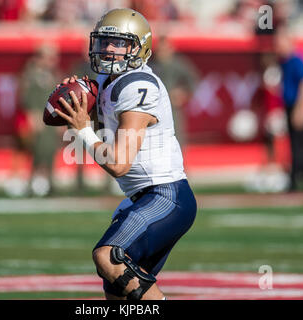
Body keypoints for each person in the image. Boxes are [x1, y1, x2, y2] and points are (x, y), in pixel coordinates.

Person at [54, 8, 197, 300]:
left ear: (139, 47)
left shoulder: (138, 85)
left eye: (118, 42)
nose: (108, 48)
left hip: (166, 196)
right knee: (118, 292)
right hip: (143, 197)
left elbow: (119, 163)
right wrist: (79, 111)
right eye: (104, 41)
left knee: (109, 257)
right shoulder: (108, 81)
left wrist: (83, 130)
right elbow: (105, 135)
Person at [9, 44, 61, 197]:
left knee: (50, 150)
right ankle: (33, 182)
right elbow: (25, 97)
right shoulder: (30, 75)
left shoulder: (54, 74)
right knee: (37, 150)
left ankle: (49, 182)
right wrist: (31, 115)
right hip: (39, 117)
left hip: (52, 117)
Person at [274, 26, 303, 191]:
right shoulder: (283, 61)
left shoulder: (298, 60)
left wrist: (301, 109)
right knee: (294, 144)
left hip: (297, 106)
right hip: (289, 105)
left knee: (300, 144)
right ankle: (301, 178)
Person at [150, 35, 199, 146]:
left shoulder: (179, 64)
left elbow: (192, 80)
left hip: (173, 108)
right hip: (154, 107)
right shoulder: (151, 65)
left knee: (176, 135)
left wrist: (183, 93)